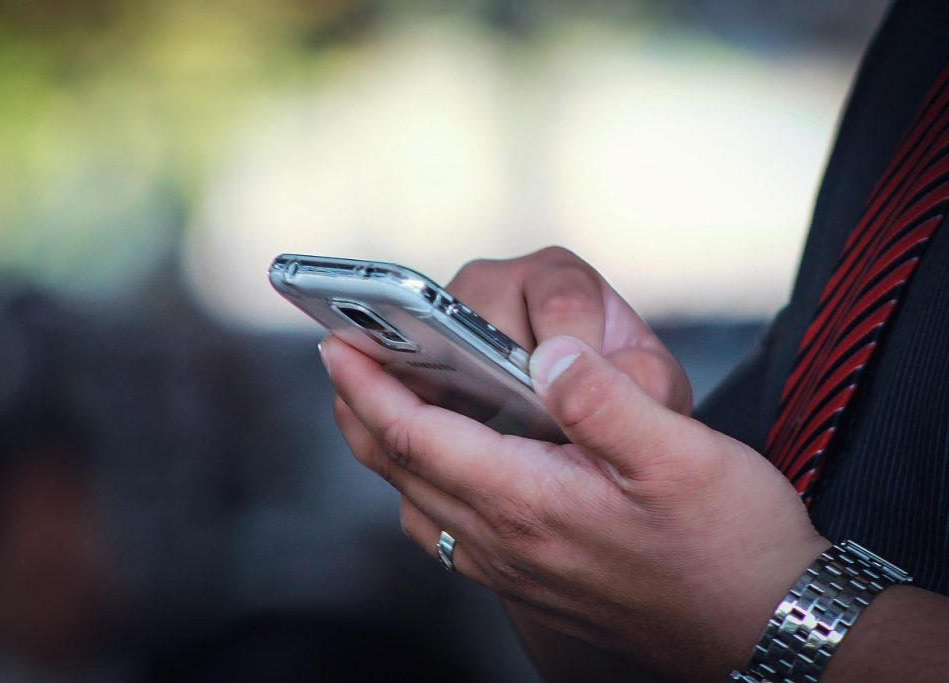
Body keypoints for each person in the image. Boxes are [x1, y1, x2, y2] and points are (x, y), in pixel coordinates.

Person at [321, 1, 949, 680]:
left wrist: (765, 606)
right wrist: (555, 524)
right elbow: (653, 644)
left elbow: (723, 612)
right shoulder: (918, 43)